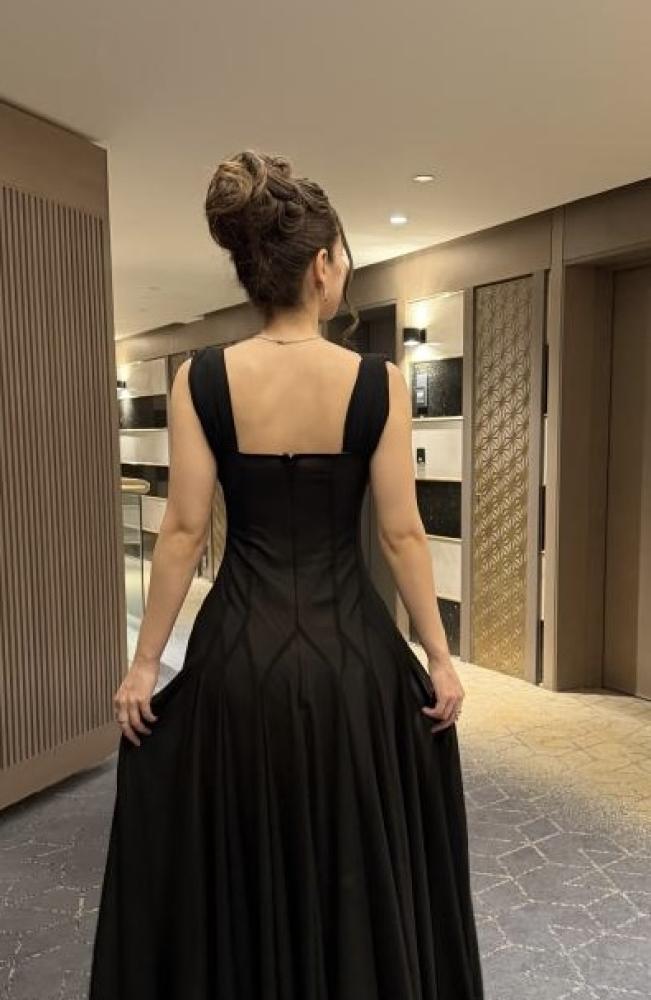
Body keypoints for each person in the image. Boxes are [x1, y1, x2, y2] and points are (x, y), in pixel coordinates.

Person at [88, 150, 484, 999]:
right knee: (350, 850)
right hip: (350, 663)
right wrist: (440, 657)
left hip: (236, 660)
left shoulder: (200, 379)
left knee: (240, 849)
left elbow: (183, 530)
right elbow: (401, 533)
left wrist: (144, 664)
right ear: (322, 266)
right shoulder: (377, 383)